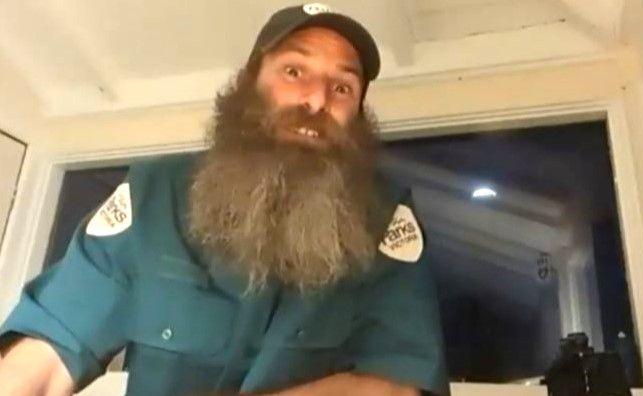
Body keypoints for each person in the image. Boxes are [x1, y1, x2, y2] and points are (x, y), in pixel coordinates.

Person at [0, 4, 448, 395]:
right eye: (295, 72)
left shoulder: (386, 219)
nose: (316, 99)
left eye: (343, 87)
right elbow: (49, 348)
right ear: (251, 82)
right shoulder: (153, 195)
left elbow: (399, 382)